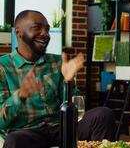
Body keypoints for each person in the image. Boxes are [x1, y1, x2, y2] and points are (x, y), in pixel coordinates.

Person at [0, 10, 117, 148]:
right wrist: (20, 96)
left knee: (103, 115)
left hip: (61, 127)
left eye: (47, 29)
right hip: (27, 132)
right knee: (14, 141)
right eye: (37, 28)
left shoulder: (57, 62)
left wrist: (69, 82)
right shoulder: (3, 67)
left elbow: (74, 109)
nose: (45, 34)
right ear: (18, 32)